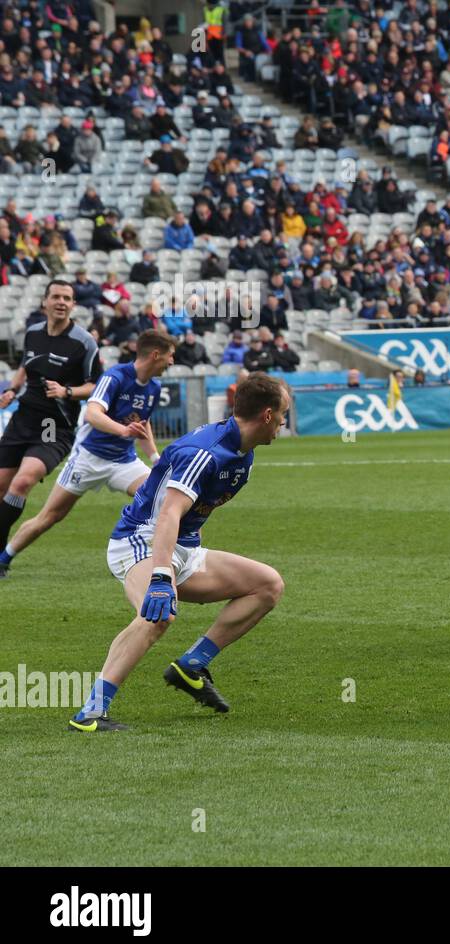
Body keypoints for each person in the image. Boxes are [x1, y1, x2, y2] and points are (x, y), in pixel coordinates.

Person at [67, 373, 289, 732]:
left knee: (267, 585)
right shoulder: (207, 452)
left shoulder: (242, 453)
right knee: (157, 616)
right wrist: (160, 576)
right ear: (267, 415)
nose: (283, 421)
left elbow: (178, 494)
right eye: (283, 414)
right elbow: (169, 513)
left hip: (183, 548)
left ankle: (191, 666)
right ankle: (90, 713)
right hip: (140, 542)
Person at [0, 331, 174, 579]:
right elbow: (93, 414)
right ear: (156, 355)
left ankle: (150, 557)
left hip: (123, 462)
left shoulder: (154, 387)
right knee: (50, 516)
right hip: (88, 459)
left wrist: (155, 458)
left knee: (163, 498)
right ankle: (4, 558)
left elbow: (142, 424)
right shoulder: (115, 377)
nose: (172, 361)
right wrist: (123, 430)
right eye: (170, 356)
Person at [0, 281, 103, 552]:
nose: (61, 302)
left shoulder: (84, 342)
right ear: (44, 302)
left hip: (53, 425)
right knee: (1, 485)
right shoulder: (32, 333)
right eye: (56, 297)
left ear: (73, 305)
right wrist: (12, 389)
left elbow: (96, 385)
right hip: (23, 418)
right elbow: (26, 365)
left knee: (23, 481)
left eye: (67, 298)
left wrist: (67, 391)